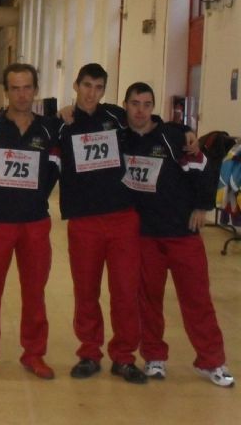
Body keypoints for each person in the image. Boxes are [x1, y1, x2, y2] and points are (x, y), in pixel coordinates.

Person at [120, 82, 234, 388]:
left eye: (147, 104)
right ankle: (154, 357)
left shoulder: (173, 137)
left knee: (197, 299)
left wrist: (202, 206)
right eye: (135, 104)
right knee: (148, 301)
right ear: (125, 106)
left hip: (182, 234)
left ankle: (212, 361)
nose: (140, 110)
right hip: (145, 236)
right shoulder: (121, 138)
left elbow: (203, 169)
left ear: (153, 107)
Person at [0, 63, 60, 379]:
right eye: (15, 88)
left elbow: (52, 171)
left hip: (35, 223)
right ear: (6, 91)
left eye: (27, 87)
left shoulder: (49, 130)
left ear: (36, 89)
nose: (22, 95)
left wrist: (33, 199)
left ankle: (34, 354)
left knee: (35, 293)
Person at [57, 63, 146, 384]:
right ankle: (89, 353)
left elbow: (147, 122)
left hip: (122, 218)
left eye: (98, 87)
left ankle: (124, 357)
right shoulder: (62, 123)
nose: (91, 93)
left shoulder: (116, 117)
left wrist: (185, 131)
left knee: (125, 291)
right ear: (76, 85)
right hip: (83, 221)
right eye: (87, 86)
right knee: (86, 291)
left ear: (104, 91)